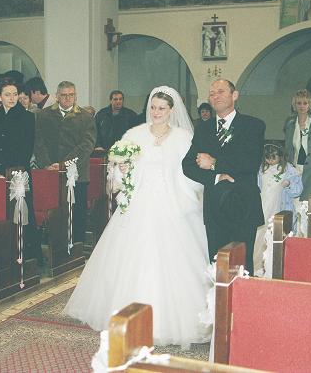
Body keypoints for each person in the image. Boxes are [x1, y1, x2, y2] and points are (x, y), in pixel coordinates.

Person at [64, 86, 209, 346]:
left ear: (171, 110)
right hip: (138, 201)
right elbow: (119, 174)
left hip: (171, 203)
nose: (156, 112)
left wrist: (184, 198)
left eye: (161, 108)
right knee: (130, 257)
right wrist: (122, 170)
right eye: (153, 107)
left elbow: (189, 174)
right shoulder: (135, 135)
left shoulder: (183, 138)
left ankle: (168, 320)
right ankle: (126, 313)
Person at [182, 79, 265, 271]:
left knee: (242, 265)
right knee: (217, 265)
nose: (215, 96)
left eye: (221, 91)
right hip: (214, 207)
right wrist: (215, 177)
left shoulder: (253, 125)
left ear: (234, 95)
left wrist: (214, 163)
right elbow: (188, 165)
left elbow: (250, 162)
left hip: (243, 204)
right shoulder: (203, 128)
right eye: (212, 93)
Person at [34, 81, 96, 244]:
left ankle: (77, 248)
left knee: (77, 215)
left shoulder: (85, 117)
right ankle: (56, 247)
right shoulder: (43, 115)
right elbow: (38, 142)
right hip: (51, 172)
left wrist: (65, 164)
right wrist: (47, 164)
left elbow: (87, 145)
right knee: (55, 214)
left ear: (76, 96)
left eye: (71, 95)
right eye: (64, 95)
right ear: (57, 96)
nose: (68, 98)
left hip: (77, 174)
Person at [0, 78, 41, 261]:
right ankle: (5, 251)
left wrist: (9, 171)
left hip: (18, 172)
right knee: (2, 213)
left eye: (15, 94)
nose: (11, 98)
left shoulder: (26, 117)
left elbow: (25, 148)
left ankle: (28, 254)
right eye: (7, 94)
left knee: (23, 212)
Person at [253, 144, 302, 275]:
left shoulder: (289, 170)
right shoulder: (262, 168)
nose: (270, 160)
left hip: (278, 207)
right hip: (262, 205)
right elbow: (258, 185)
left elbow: (298, 190)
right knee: (259, 235)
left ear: (281, 156)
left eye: (273, 157)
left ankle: (274, 267)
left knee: (274, 235)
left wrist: (289, 184)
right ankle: (257, 266)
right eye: (267, 158)